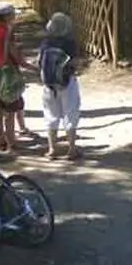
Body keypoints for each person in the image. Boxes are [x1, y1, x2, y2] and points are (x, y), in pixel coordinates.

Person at [38, 13, 82, 160]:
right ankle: (72, 149)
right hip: (67, 82)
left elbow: (40, 63)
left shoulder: (46, 43)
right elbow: (75, 63)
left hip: (49, 84)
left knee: (50, 115)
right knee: (70, 113)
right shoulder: (70, 43)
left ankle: (52, 149)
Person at [0, 3, 31, 153]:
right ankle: (11, 143)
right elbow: (14, 54)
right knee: (10, 111)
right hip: (9, 73)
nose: (15, 16)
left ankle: (1, 140)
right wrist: (31, 66)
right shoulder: (8, 31)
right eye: (13, 14)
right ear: (6, 16)